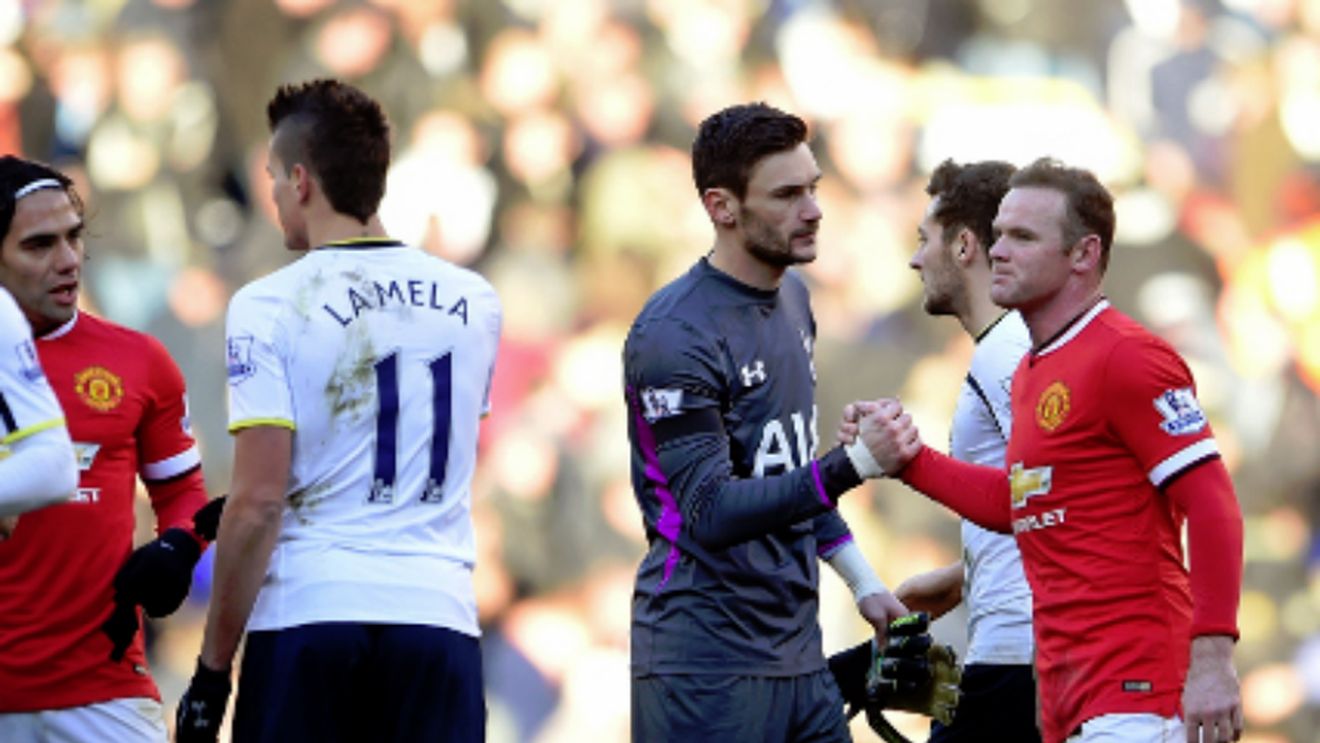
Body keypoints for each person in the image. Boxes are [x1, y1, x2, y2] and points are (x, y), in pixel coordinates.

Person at [855, 157, 1244, 743]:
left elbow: (1213, 503)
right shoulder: (1034, 370)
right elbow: (1022, 501)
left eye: (1022, 237)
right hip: (1068, 698)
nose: (998, 251)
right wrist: (908, 461)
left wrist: (1213, 657)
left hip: (1137, 692)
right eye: (998, 234)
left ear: (1083, 254)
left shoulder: (1127, 356)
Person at [175, 79, 502, 743]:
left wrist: (212, 672)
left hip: (312, 613)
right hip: (438, 620)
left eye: (274, 176)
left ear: (300, 181)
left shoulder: (269, 305)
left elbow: (259, 502)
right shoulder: (476, 301)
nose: (271, 194)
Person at [622, 101, 907, 742]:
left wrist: (863, 582)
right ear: (722, 207)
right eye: (786, 195)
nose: (813, 210)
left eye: (813, 188)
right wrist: (855, 464)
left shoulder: (795, 299)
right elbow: (710, 510)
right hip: (704, 666)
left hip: (798, 653)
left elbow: (788, 478)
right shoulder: (675, 333)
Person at [0, 156, 218, 743]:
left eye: (73, 237)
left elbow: (183, 492)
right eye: (39, 245)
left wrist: (179, 545)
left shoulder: (138, 360)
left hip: (106, 692)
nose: (68, 260)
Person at [892, 158, 1039, 742]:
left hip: (1017, 660)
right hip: (1016, 652)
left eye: (923, 239)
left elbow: (1051, 495)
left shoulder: (1010, 352)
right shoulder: (1012, 346)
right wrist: (964, 577)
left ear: (964, 246)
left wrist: (904, 460)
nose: (914, 259)